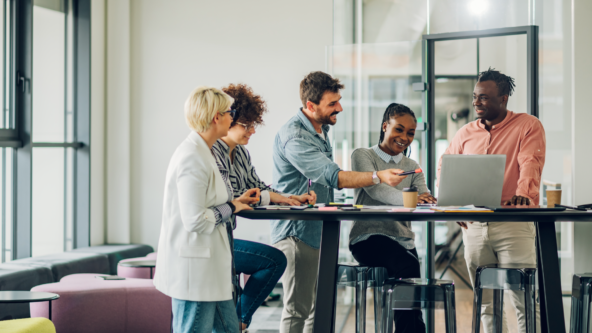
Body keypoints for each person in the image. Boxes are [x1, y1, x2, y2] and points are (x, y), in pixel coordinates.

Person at [271, 71, 408, 333]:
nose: (340, 108)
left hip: (318, 233)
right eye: (332, 104)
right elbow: (334, 177)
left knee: (317, 309)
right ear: (311, 106)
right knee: (297, 309)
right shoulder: (295, 136)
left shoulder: (318, 129)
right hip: (297, 234)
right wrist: (377, 176)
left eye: (339, 100)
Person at [438, 68, 545, 333]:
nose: (476, 102)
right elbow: (446, 167)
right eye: (475, 97)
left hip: (513, 224)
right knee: (486, 303)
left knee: (523, 300)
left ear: (504, 98)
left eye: (484, 98)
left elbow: (530, 162)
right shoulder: (465, 133)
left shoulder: (527, 125)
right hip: (474, 228)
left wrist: (524, 194)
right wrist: (453, 204)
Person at [211, 83, 317, 331]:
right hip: (212, 240)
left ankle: (238, 321)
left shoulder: (240, 154)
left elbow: (256, 189)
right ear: (228, 120)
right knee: (274, 260)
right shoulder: (212, 153)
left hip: (225, 237)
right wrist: (270, 197)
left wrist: (291, 198)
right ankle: (240, 321)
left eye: (254, 125)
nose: (253, 131)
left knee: (273, 260)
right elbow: (238, 197)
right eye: (247, 125)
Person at [153, 86, 260, 333]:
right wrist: (232, 206)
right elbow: (195, 220)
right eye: (229, 112)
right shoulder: (192, 156)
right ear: (216, 117)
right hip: (196, 272)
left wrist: (235, 201)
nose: (232, 116)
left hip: (211, 270)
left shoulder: (206, 151)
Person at [349, 103, 436, 332]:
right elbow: (377, 190)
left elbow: (423, 195)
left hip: (403, 239)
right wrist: (414, 199)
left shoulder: (412, 166)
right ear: (385, 126)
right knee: (408, 265)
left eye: (410, 133)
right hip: (368, 238)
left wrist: (426, 199)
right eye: (398, 129)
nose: (404, 137)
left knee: (410, 276)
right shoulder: (363, 156)